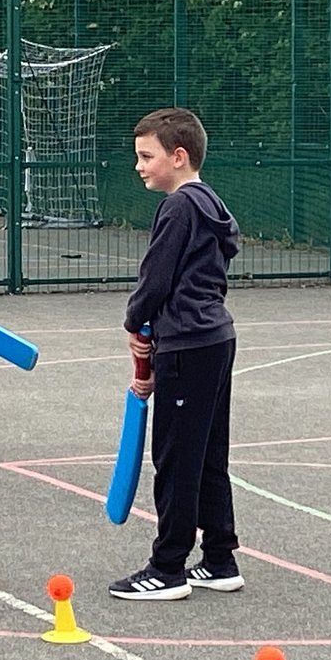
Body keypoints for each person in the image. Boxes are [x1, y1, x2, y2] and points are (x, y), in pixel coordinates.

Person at [109, 107, 244, 600]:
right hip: (215, 339)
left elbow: (156, 279)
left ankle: (168, 567)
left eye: (147, 156)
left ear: (178, 156)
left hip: (188, 344)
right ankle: (220, 558)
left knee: (176, 459)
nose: (140, 166)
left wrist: (134, 323)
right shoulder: (210, 203)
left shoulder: (178, 207)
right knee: (208, 453)